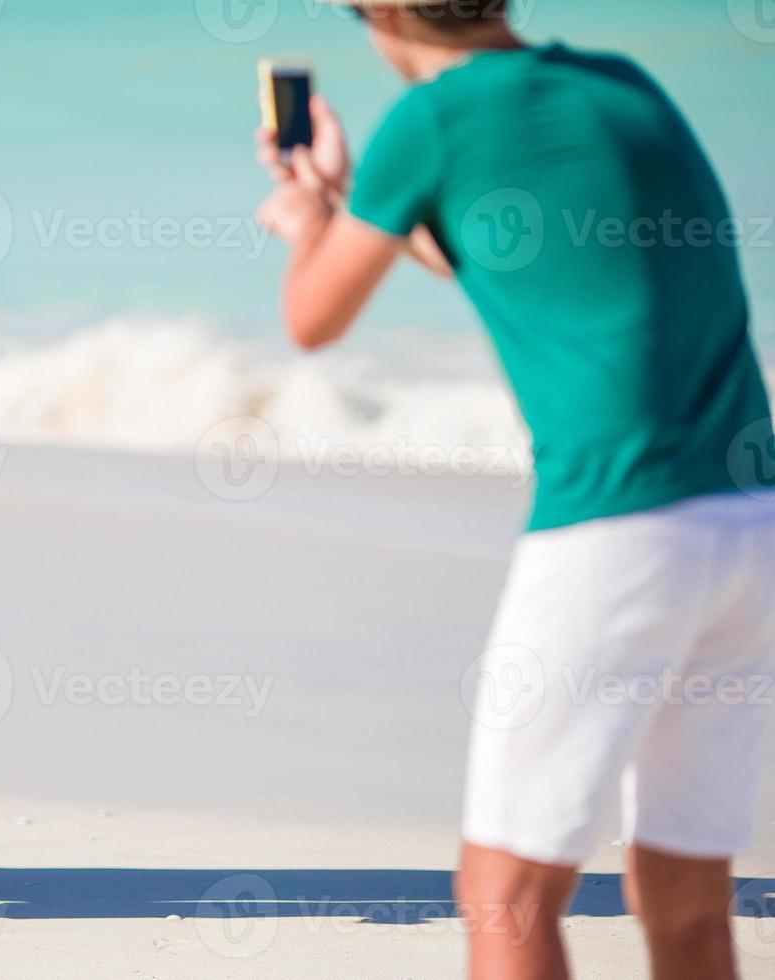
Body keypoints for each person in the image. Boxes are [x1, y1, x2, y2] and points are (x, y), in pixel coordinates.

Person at [254, 2, 775, 977]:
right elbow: (519, 256)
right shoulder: (624, 85)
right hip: (749, 522)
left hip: (617, 529)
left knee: (507, 897)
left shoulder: (433, 121)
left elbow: (311, 318)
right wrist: (355, 199)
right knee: (690, 895)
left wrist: (309, 223)